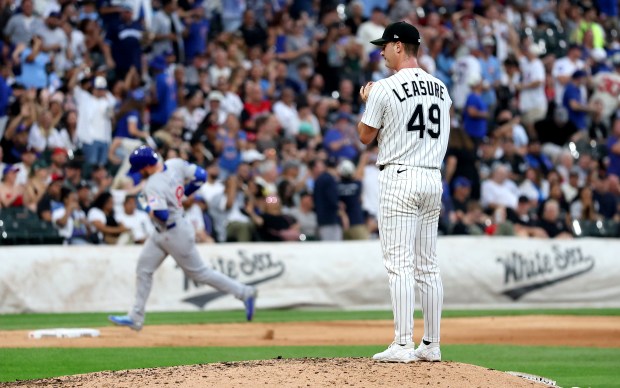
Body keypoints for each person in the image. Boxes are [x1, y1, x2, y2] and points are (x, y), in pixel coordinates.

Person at [357, 22, 451, 363]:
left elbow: (366, 137)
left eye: (385, 45)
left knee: (400, 265)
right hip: (432, 177)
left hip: (400, 176)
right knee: (428, 266)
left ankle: (401, 344)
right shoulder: (441, 88)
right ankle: (432, 344)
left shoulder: (383, 88)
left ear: (399, 46)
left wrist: (366, 102)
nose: (380, 51)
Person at [108, 146, 257, 331]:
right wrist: (185, 193)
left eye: (140, 168)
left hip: (174, 232)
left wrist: (145, 205)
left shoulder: (153, 185)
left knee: (200, 273)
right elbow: (201, 175)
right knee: (144, 269)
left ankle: (244, 292)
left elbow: (161, 214)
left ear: (146, 166)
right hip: (163, 231)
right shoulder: (175, 164)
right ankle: (136, 317)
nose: (140, 172)